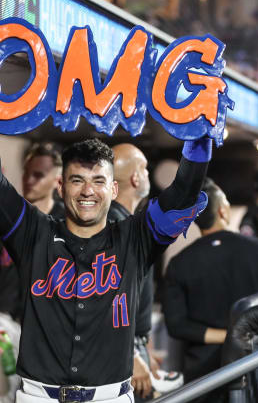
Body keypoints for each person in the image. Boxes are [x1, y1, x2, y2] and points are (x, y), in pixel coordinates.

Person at [0, 116, 210, 403]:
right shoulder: (33, 233)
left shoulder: (135, 238)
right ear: (61, 187)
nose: (88, 191)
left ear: (113, 189)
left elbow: (182, 196)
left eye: (99, 181)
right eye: (77, 180)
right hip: (39, 397)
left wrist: (201, 134)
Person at [163, 179, 258, 403]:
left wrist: (224, 336)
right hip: (253, 362)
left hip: (204, 378)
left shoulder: (179, 263)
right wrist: (239, 335)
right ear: (222, 210)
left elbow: (176, 325)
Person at [0, 143, 65, 354]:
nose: (29, 180)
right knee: (9, 388)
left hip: (52, 326)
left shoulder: (67, 222)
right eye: (26, 173)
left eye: (38, 175)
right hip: (8, 323)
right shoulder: (3, 218)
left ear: (56, 181)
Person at [109, 144, 160, 400]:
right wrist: (132, 355)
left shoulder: (124, 222)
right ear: (135, 177)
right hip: (121, 352)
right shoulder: (118, 227)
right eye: (146, 168)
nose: (148, 175)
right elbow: (106, 297)